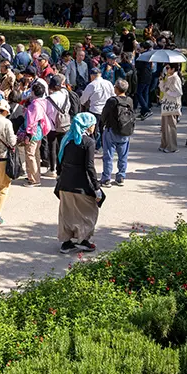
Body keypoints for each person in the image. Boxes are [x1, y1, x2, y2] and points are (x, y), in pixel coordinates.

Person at [55, 113, 102, 254]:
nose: (94, 126)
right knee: (89, 212)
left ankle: (66, 242)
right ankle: (83, 240)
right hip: (82, 185)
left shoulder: (67, 139)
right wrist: (97, 187)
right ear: (87, 126)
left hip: (65, 183)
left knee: (66, 214)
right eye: (93, 124)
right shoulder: (88, 142)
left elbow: (60, 161)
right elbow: (89, 167)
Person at [100, 79, 135, 186]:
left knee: (108, 155)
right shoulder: (129, 100)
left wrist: (102, 125)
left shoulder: (112, 101)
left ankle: (106, 178)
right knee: (123, 155)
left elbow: (104, 115)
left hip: (111, 130)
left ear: (116, 88)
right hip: (125, 131)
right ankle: (120, 177)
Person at [21, 82, 51, 186]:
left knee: (30, 155)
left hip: (33, 132)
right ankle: (35, 175)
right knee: (36, 154)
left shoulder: (34, 105)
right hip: (40, 131)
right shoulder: (43, 102)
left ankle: (34, 179)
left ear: (33, 92)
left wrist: (28, 135)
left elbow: (31, 121)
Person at [44, 75, 72, 177]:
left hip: (52, 126)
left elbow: (47, 112)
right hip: (64, 124)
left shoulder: (49, 98)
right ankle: (62, 169)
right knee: (62, 147)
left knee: (52, 147)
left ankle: (52, 169)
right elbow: (68, 107)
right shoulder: (66, 95)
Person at [80, 67, 114, 144]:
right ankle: (104, 146)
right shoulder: (108, 83)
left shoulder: (91, 85)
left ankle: (94, 147)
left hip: (95, 110)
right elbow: (113, 96)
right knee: (105, 130)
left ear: (92, 76)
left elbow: (83, 99)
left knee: (94, 131)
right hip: (107, 110)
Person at [159, 63, 183, 153]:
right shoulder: (169, 77)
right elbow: (163, 89)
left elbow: (179, 92)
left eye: (168, 68)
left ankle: (172, 146)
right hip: (166, 104)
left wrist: (168, 92)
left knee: (170, 126)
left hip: (172, 105)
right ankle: (164, 144)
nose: (166, 69)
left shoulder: (176, 78)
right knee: (164, 126)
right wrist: (161, 81)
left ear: (173, 69)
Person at [133, 42, 154, 118]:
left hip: (143, 77)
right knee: (145, 94)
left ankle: (146, 109)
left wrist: (136, 55)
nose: (139, 49)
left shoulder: (143, 56)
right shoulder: (149, 55)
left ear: (144, 48)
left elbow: (138, 65)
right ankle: (143, 112)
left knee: (139, 93)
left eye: (141, 47)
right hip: (148, 76)